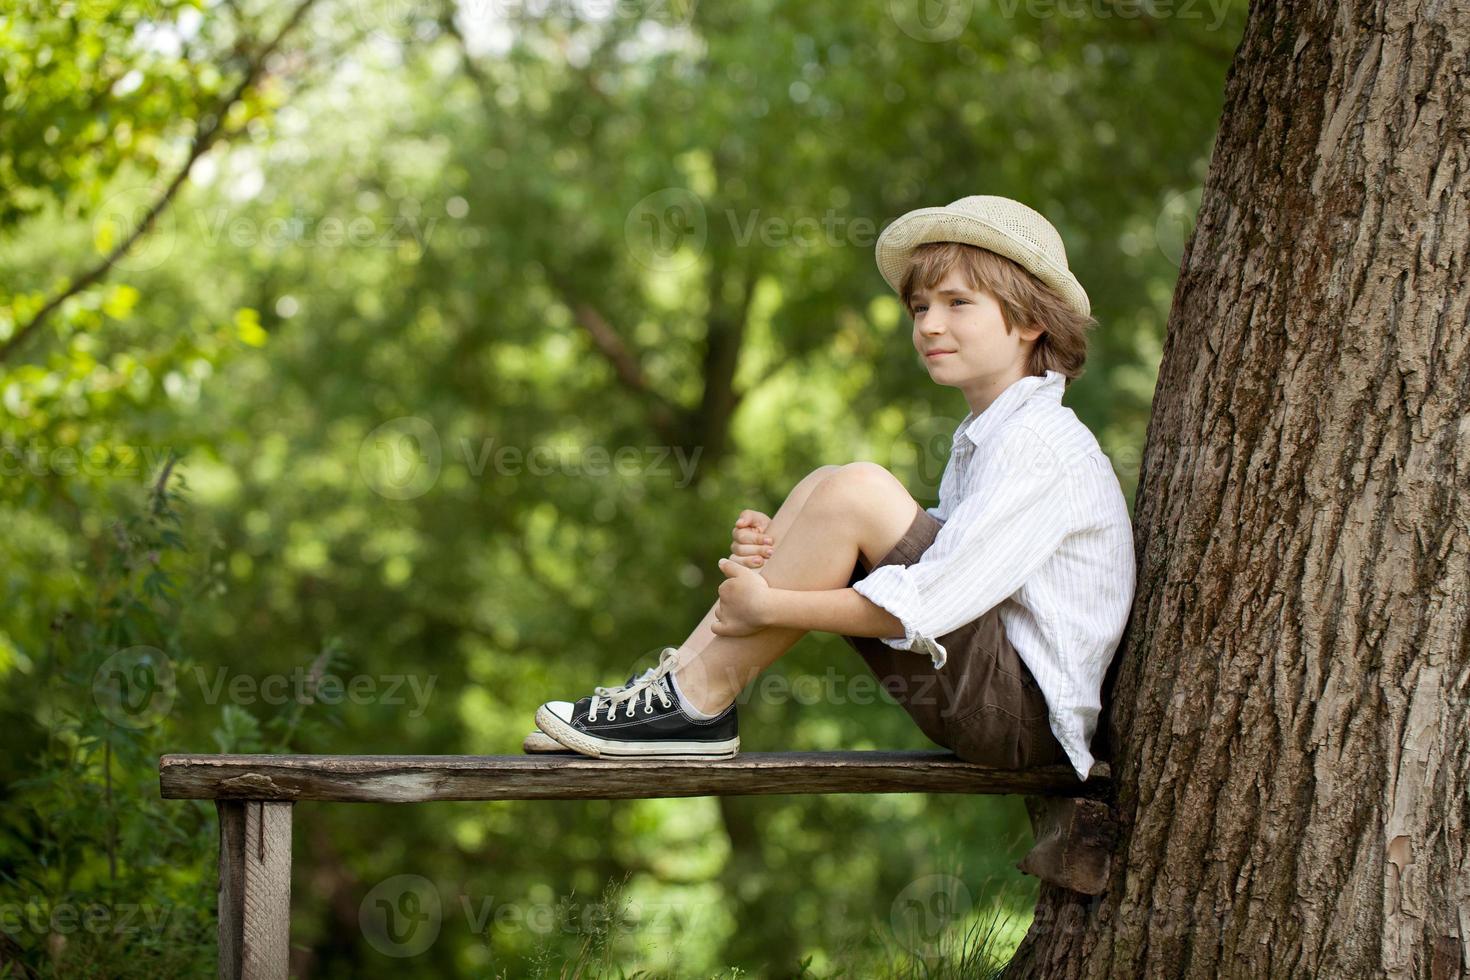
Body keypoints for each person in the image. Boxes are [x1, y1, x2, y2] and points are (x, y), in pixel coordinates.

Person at [530, 195, 1136, 780]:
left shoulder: (1040, 444)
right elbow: (942, 551)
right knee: (828, 487)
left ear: (1031, 319)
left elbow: (935, 601)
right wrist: (783, 555)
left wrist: (773, 603)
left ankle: (696, 702)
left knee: (855, 491)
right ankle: (679, 690)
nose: (930, 324)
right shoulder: (992, 432)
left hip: (1021, 718)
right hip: (991, 696)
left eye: (958, 303)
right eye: (920, 307)